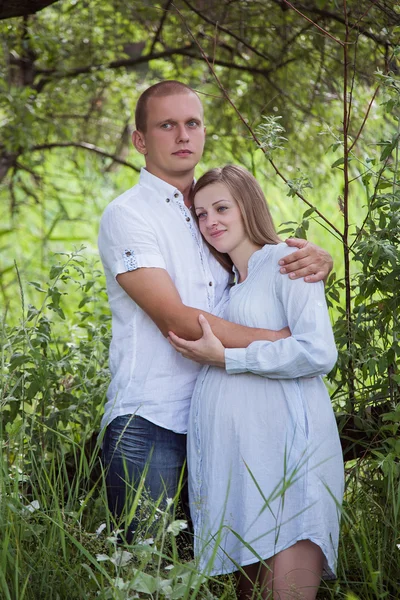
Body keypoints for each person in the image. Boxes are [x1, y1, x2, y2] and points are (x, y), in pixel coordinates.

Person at [97, 80, 334, 541]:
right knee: (153, 573)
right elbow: (178, 321)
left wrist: (320, 260)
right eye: (167, 125)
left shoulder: (212, 215)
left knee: (212, 573)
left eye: (193, 123)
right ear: (140, 141)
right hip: (152, 423)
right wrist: (285, 343)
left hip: (220, 423)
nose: (183, 135)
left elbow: (261, 271)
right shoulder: (129, 215)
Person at [168, 165, 344, 600]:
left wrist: (226, 357)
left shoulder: (286, 261)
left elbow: (317, 352)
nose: (211, 222)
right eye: (201, 214)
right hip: (244, 484)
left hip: (288, 472)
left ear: (248, 206)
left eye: (222, 208)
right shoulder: (227, 289)